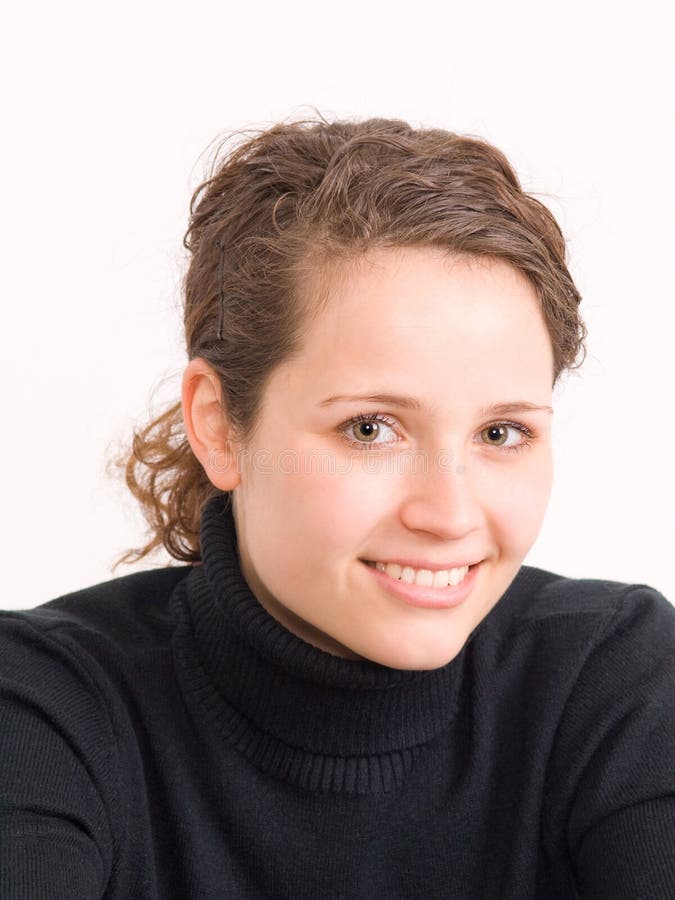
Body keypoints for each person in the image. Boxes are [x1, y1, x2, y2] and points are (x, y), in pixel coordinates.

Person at [1, 116, 673, 899]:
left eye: (501, 431)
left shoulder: (614, 682)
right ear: (218, 426)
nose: (449, 514)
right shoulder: (43, 713)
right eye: (369, 428)